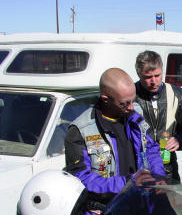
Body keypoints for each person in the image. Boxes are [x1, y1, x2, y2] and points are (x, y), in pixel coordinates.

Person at [65, 68, 165, 206]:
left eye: (132, 100)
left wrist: (158, 177)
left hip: (140, 203)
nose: (131, 107)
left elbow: (150, 150)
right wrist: (127, 183)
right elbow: (80, 179)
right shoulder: (80, 131)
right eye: (124, 103)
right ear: (106, 99)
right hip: (106, 210)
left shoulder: (135, 115)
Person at [134, 51, 182, 182]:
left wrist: (178, 140)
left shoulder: (176, 94)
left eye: (157, 75)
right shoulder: (130, 95)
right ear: (139, 74)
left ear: (162, 72)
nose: (153, 81)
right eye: (148, 77)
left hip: (168, 169)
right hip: (139, 170)